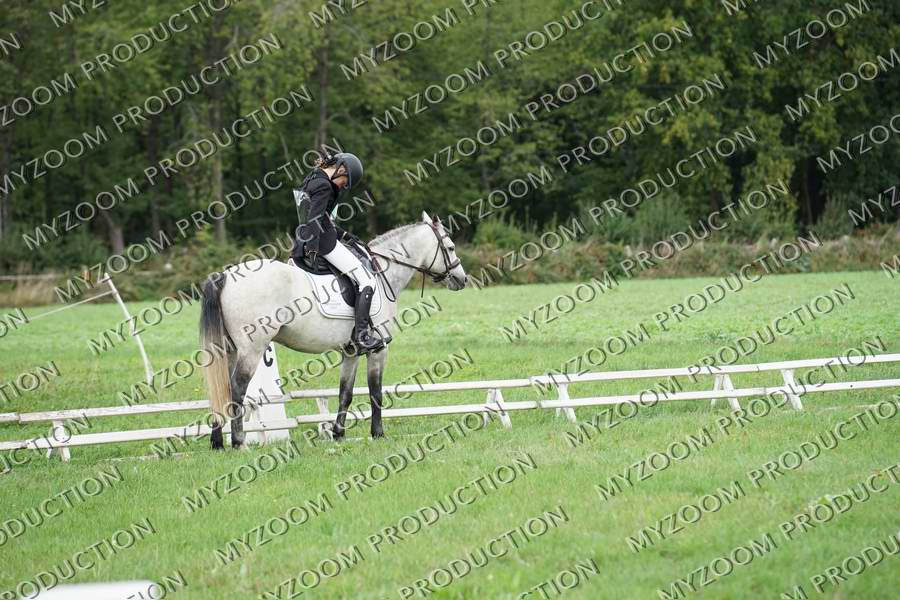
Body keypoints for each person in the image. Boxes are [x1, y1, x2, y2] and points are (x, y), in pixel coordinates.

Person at [292, 152, 384, 354]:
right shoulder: (325, 186)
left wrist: (346, 235)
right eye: (345, 181)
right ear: (341, 169)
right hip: (323, 243)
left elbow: (321, 219)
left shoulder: (313, 178)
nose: (343, 185)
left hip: (304, 239)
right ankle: (362, 336)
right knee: (367, 280)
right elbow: (315, 219)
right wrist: (313, 248)